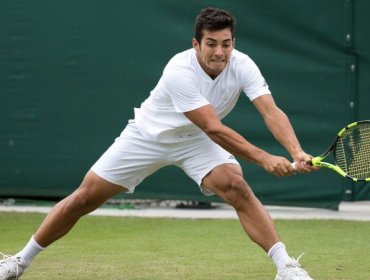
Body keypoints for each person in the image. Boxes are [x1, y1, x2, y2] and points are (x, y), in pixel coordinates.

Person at [0, 7, 317, 280]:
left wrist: (295, 151)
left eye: (226, 43)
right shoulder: (179, 71)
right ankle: (19, 260)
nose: (220, 52)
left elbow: (270, 111)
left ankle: (285, 267)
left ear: (234, 42)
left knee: (237, 187)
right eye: (211, 44)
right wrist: (263, 158)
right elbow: (213, 127)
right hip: (149, 136)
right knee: (84, 198)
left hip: (195, 141)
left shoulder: (243, 64)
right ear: (196, 44)